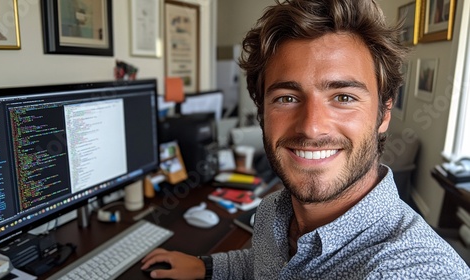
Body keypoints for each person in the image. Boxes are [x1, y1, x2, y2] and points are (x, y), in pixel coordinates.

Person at [142, 0, 470, 278]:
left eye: (343, 97)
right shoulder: (274, 209)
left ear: (383, 114)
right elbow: (264, 264)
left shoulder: (412, 264)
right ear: (262, 113)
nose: (311, 128)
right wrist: (207, 267)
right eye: (286, 97)